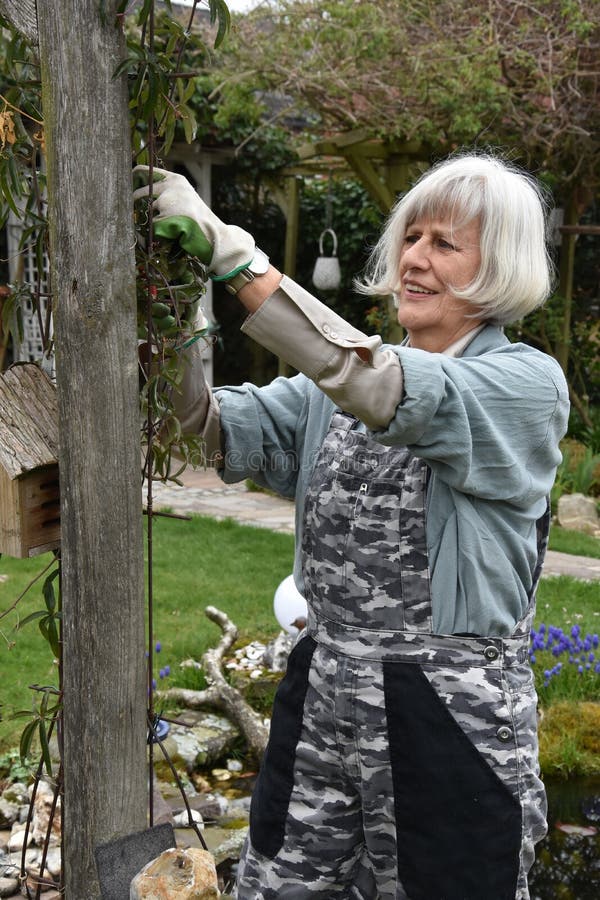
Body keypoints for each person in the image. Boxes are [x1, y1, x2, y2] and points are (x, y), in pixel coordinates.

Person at [134, 153, 569, 900]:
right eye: (412, 237)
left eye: (444, 244)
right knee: (277, 886)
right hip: (325, 686)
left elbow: (378, 385)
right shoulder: (325, 389)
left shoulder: (523, 384)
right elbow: (198, 431)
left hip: (447, 710)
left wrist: (234, 255)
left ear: (497, 271)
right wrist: (175, 306)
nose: (414, 258)